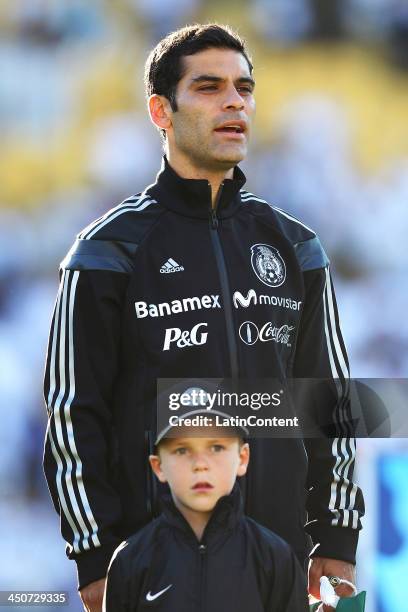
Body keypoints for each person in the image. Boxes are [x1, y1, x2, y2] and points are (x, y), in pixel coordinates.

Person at [42, 23, 365, 612]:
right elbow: (73, 415)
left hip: (282, 567)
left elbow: (331, 402)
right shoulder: (107, 251)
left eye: (244, 87)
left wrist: (337, 538)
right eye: (210, 87)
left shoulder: (295, 246)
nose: (235, 101)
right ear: (160, 111)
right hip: (153, 570)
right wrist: (96, 557)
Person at [102, 419, 309, 611]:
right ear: (158, 466)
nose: (200, 464)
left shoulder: (275, 557)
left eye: (216, 447)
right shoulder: (130, 560)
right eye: (182, 449)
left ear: (243, 458)